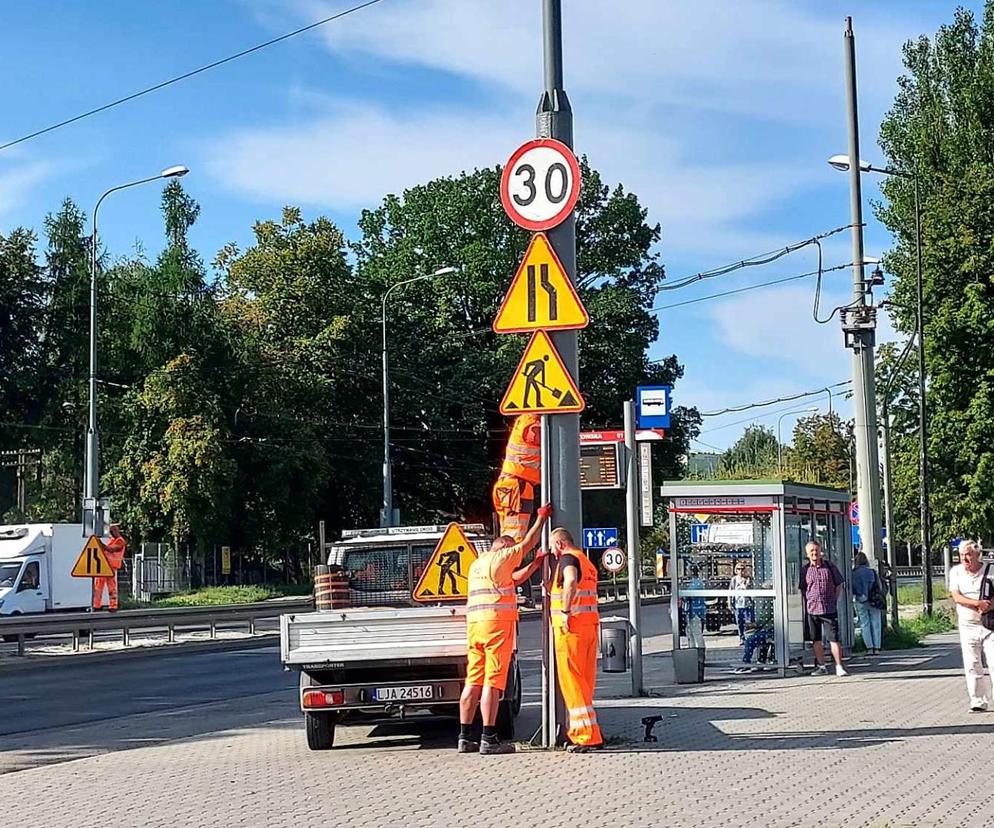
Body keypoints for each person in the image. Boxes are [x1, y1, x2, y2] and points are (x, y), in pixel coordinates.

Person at [458, 501, 552, 755]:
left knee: (473, 681)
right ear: (503, 547)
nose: (514, 555)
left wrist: (534, 566)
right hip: (495, 627)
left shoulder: (478, 565)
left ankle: (465, 736)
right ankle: (489, 738)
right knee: (493, 682)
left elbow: (512, 579)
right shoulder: (503, 555)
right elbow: (527, 544)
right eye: (511, 552)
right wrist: (541, 519)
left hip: (475, 627)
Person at [549, 528, 603, 752]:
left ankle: (585, 736)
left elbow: (570, 581)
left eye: (552, 546)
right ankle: (592, 732)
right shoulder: (586, 561)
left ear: (560, 544)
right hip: (589, 627)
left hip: (571, 629)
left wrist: (564, 611)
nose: (551, 552)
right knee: (584, 683)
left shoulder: (568, 559)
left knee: (572, 682)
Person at [947, 540, 994, 712]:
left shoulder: (990, 570)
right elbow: (957, 597)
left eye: (968, 554)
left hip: (990, 624)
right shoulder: (956, 572)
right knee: (972, 663)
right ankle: (977, 701)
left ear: (977, 555)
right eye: (961, 555)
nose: (965, 558)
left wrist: (988, 605)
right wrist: (977, 604)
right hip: (968, 624)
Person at [798, 540, 848, 677]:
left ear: (820, 551)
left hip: (828, 608)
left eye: (816, 550)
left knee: (834, 638)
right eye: (811, 551)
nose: (814, 553)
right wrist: (807, 601)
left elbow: (839, 584)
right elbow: (803, 588)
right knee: (816, 639)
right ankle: (821, 666)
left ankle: (839, 666)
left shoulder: (830, 567)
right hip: (812, 609)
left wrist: (834, 599)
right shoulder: (805, 570)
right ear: (807, 554)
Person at [491, 414, 541, 543]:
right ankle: (511, 562)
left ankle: (509, 560)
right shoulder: (531, 423)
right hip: (516, 487)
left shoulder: (525, 421)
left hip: (512, 486)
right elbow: (537, 436)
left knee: (509, 534)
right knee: (514, 538)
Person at [852, 551, 883, 655]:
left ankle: (869, 648)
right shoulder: (872, 572)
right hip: (873, 600)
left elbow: (852, 588)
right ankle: (877, 647)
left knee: (865, 624)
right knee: (876, 623)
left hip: (860, 600)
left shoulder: (853, 573)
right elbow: (879, 586)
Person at [732, 598, 774, 673]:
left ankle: (746, 663)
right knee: (755, 639)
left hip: (770, 630)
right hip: (765, 629)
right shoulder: (759, 601)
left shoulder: (768, 600)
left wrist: (754, 625)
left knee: (750, 641)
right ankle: (760, 660)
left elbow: (764, 618)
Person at [93, 523, 127, 612]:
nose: (111, 534)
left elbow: (110, 549)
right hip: (105, 565)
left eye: (112, 531)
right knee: (98, 586)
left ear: (116, 531)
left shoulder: (120, 541)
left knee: (110, 587)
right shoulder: (113, 540)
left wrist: (99, 542)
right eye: (110, 532)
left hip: (110, 567)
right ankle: (97, 605)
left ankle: (113, 606)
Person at [729, 563, 753, 644]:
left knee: (748, 621)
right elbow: (731, 591)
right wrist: (730, 603)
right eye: (738, 569)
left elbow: (749, 590)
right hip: (738, 603)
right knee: (739, 622)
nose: (740, 571)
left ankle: (748, 636)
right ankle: (741, 637)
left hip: (746, 603)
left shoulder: (747, 579)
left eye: (742, 569)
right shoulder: (734, 580)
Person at [684, 567, 707, 649]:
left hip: (696, 612)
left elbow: (690, 595)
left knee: (697, 634)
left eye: (688, 571)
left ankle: (700, 653)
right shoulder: (694, 583)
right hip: (691, 612)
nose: (687, 572)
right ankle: (692, 651)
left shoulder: (696, 583)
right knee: (691, 633)